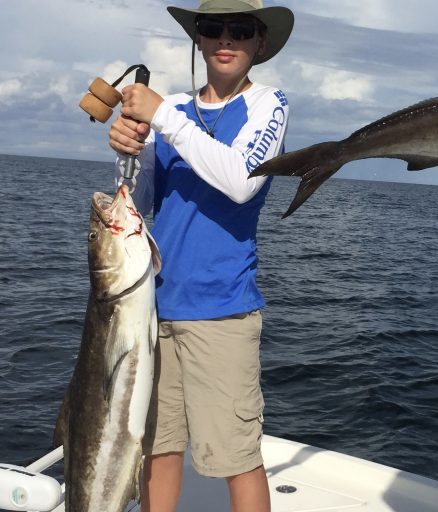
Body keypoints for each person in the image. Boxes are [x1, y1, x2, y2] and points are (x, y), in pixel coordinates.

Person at [107, 1, 294, 510]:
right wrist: (127, 151)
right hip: (151, 311)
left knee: (237, 457)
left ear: (259, 42)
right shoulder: (171, 115)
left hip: (223, 313)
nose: (226, 39)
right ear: (199, 39)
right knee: (157, 450)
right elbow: (142, 205)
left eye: (241, 30)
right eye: (213, 28)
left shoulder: (268, 105)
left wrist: (163, 116)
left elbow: (240, 182)